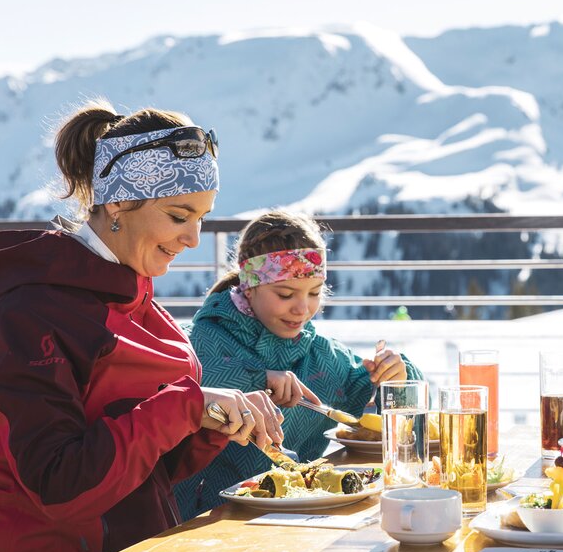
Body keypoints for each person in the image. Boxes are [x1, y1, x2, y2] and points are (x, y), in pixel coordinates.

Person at [0, 101, 282, 552]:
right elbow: (58, 487)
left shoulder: (135, 296)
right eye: (178, 216)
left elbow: (146, 472)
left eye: (202, 217)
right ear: (117, 205)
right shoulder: (33, 311)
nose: (195, 239)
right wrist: (186, 405)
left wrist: (211, 420)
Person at [174, 210, 425, 520]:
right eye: (285, 294)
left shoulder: (320, 356)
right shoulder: (197, 340)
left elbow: (388, 410)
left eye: (315, 293)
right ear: (249, 286)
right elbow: (179, 390)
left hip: (298, 518)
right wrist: (257, 379)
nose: (302, 308)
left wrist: (397, 378)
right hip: (200, 520)